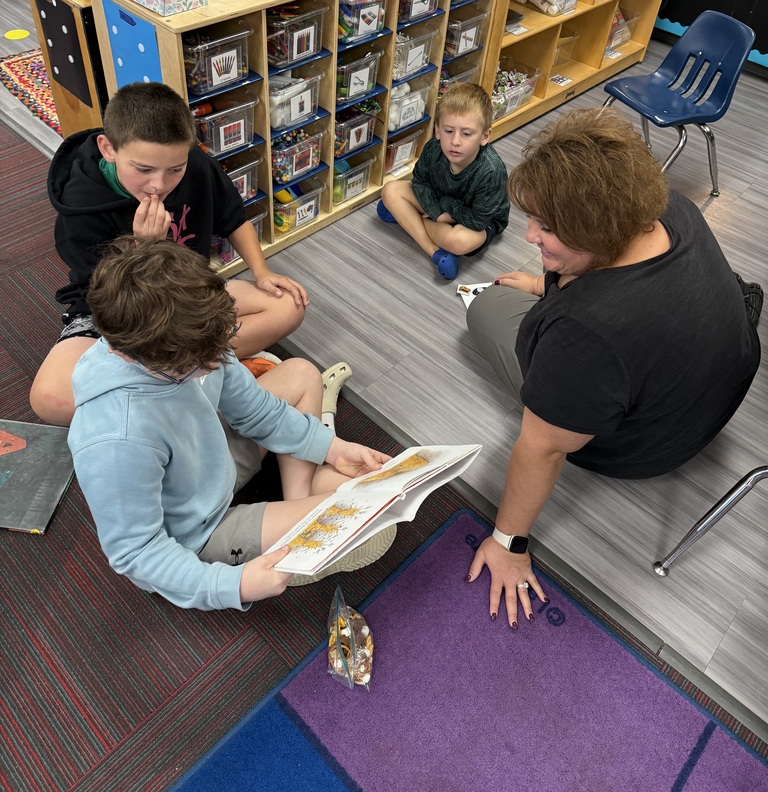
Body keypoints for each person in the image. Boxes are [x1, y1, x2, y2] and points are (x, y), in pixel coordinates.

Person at [465, 107, 762, 627]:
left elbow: (543, 448)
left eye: (548, 227)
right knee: (535, 294)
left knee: (487, 309)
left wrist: (509, 543)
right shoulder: (672, 208)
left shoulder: (589, 334)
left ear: (593, 230)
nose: (530, 236)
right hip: (713, 396)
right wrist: (547, 283)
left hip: (643, 448)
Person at [68, 236, 394, 611]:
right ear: (144, 357)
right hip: (195, 534)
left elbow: (258, 411)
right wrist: (232, 585)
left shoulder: (190, 337)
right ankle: (296, 528)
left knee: (303, 373)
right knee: (377, 530)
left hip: (212, 459)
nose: (217, 360)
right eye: (199, 361)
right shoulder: (115, 438)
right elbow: (138, 552)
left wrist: (334, 449)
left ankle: (299, 507)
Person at [32, 82, 309, 426]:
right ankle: (203, 380)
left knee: (288, 304)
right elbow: (109, 304)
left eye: (174, 170)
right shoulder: (80, 205)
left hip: (188, 299)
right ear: (108, 148)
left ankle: (169, 391)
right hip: (116, 317)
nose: (159, 185)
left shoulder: (194, 163)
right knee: (50, 399)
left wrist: (262, 272)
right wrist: (145, 250)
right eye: (143, 169)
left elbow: (233, 217)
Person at [376, 83, 510, 281]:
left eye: (466, 134)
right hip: (439, 205)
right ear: (437, 130)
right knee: (390, 191)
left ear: (485, 136)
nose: (455, 141)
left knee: (458, 241)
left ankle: (409, 218)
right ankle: (435, 252)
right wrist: (438, 213)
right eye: (448, 131)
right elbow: (420, 181)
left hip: (477, 219)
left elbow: (478, 220)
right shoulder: (434, 148)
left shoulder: (491, 170)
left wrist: (445, 211)